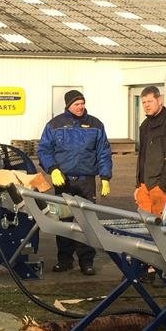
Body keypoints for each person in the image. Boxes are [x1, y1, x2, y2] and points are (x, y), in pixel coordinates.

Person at [37, 89, 113, 275]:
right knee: (64, 221)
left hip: (86, 181)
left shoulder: (95, 125)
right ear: (68, 105)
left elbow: (103, 152)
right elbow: (44, 150)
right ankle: (64, 260)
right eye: (76, 104)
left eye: (82, 103)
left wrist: (105, 177)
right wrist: (53, 168)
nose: (80, 107)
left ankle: (86, 262)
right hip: (63, 181)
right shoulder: (54, 125)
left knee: (86, 222)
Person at [135, 85, 166, 218]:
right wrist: (139, 185)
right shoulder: (145, 126)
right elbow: (142, 158)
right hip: (145, 187)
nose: (146, 105)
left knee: (163, 232)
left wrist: (162, 187)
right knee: (145, 230)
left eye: (150, 101)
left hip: (162, 189)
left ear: (160, 100)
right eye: (144, 102)